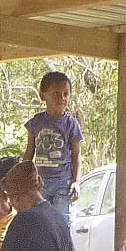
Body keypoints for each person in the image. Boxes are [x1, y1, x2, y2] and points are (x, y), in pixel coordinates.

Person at [24, 70, 83, 231]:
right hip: (40, 183)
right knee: (41, 224)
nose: (62, 98)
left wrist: (76, 181)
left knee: (63, 224)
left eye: (66, 94)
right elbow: (29, 152)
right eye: (56, 94)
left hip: (63, 183)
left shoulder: (71, 125)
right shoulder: (36, 123)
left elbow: (77, 155)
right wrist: (24, 177)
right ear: (43, 96)